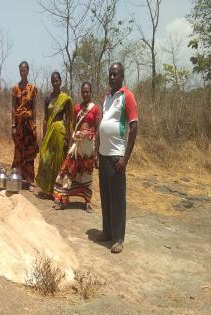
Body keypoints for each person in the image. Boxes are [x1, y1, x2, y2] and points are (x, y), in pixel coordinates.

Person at [94, 62, 139, 254]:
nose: (112, 77)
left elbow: (134, 127)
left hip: (116, 156)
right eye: (110, 74)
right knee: (105, 195)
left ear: (122, 76)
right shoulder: (107, 96)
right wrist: (96, 151)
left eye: (115, 74)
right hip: (104, 155)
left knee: (118, 198)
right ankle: (107, 231)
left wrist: (125, 158)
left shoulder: (127, 96)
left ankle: (118, 238)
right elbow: (102, 125)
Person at [53, 82, 99, 212]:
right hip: (77, 145)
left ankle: (87, 202)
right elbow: (74, 125)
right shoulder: (77, 107)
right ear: (81, 93)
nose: (85, 94)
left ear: (91, 92)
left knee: (87, 174)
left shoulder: (95, 108)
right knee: (69, 170)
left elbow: (96, 128)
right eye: (83, 92)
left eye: (87, 92)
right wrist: (75, 135)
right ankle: (64, 199)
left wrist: (89, 136)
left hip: (88, 146)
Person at [35, 71, 73, 198]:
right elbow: (46, 119)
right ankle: (47, 189)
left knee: (58, 160)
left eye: (57, 80)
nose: (55, 83)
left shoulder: (65, 99)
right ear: (51, 83)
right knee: (46, 158)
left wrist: (68, 137)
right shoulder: (47, 98)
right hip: (50, 131)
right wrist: (44, 135)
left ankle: (57, 191)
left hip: (60, 132)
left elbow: (68, 119)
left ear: (60, 81)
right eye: (53, 81)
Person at [11, 61, 39, 192]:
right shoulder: (15, 88)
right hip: (19, 125)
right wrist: (13, 125)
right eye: (21, 70)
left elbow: (34, 108)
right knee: (18, 151)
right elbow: (13, 108)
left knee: (29, 152)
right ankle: (16, 178)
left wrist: (35, 124)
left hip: (29, 125)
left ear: (28, 71)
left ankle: (29, 181)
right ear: (19, 72)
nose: (23, 72)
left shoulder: (32, 88)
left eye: (25, 70)